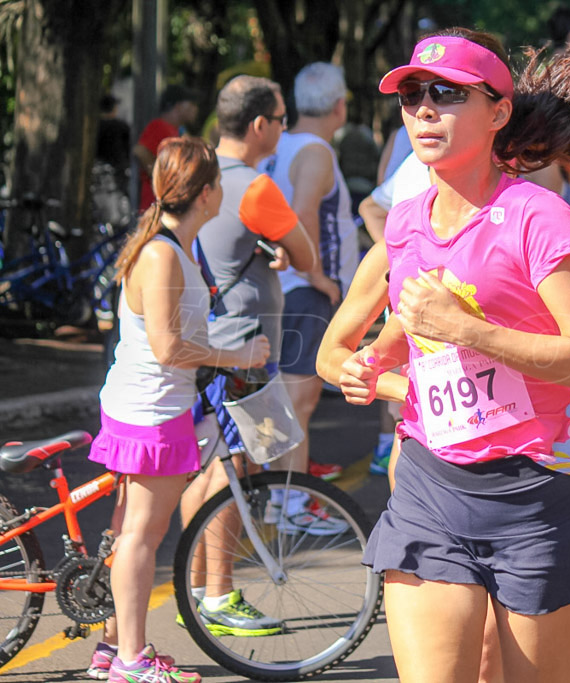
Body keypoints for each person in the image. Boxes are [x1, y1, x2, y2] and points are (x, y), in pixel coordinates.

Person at [329, 29, 570, 681]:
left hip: (538, 492)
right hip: (431, 482)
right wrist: (369, 369)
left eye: (447, 94)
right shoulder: (404, 224)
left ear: (498, 112)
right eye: (411, 94)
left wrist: (467, 329)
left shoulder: (536, 219)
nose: (424, 108)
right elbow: (380, 342)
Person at [86, 137, 270, 683]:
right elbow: (169, 349)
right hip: (151, 409)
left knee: (129, 531)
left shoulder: (170, 244)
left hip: (146, 403)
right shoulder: (163, 252)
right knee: (142, 534)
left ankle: (112, 647)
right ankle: (130, 661)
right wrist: (238, 353)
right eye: (220, 187)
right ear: (208, 193)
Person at [177, 75, 332, 639]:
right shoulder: (253, 187)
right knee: (235, 469)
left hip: (201, 340)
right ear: (260, 124)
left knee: (209, 466)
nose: (285, 129)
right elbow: (303, 251)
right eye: (282, 119)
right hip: (243, 348)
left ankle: (194, 590)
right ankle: (219, 594)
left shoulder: (193, 175)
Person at [261, 62, 358, 482]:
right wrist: (318, 276)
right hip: (304, 291)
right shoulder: (315, 152)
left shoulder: (277, 144)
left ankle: (277, 498)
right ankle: (291, 500)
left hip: (278, 287)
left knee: (281, 401)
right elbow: (302, 215)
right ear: (340, 106)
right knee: (298, 403)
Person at [134, 86, 199, 212]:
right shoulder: (159, 126)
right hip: (154, 209)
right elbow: (140, 151)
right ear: (178, 106)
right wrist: (162, 179)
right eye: (192, 103)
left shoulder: (176, 130)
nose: (195, 109)